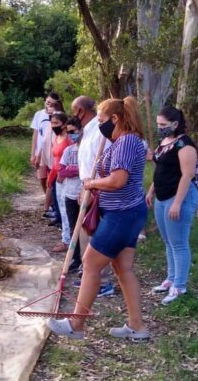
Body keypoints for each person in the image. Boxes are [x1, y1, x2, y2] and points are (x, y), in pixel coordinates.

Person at [48, 97, 150, 341]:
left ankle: (76, 324)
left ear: (116, 119)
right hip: (129, 212)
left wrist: (91, 183)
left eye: (103, 121)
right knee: (123, 268)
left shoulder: (126, 142)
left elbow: (117, 180)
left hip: (122, 214)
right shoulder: (125, 141)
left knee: (91, 262)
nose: (100, 125)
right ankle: (137, 327)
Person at [146, 106, 198, 305]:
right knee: (168, 241)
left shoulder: (184, 145)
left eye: (163, 125)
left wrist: (177, 202)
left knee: (179, 242)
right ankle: (171, 279)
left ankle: (180, 286)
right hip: (162, 196)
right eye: (158, 124)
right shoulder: (165, 142)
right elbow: (161, 169)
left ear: (175, 124)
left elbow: (187, 175)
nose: (159, 128)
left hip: (179, 197)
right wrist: (151, 191)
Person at [71, 95, 114, 297]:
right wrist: (83, 187)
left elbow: (104, 162)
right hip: (86, 186)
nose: (73, 116)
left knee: (96, 233)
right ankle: (87, 274)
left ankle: (103, 280)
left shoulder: (100, 133)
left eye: (74, 111)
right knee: (84, 232)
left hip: (98, 188)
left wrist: (94, 186)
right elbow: (86, 163)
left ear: (82, 110)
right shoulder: (87, 132)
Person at [57, 116, 84, 272]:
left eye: (73, 131)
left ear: (81, 130)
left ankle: (85, 260)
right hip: (70, 193)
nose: (71, 135)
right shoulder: (69, 150)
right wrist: (76, 170)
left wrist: (72, 170)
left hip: (84, 192)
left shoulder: (86, 148)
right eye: (69, 132)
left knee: (85, 228)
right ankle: (76, 257)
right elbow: (61, 170)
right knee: (74, 227)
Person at [47, 111, 73, 252]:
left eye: (56, 123)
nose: (53, 126)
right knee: (60, 209)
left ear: (64, 124)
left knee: (65, 210)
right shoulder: (57, 138)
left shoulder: (69, 139)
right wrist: (51, 177)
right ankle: (65, 238)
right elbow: (55, 161)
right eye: (52, 123)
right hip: (56, 177)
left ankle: (67, 241)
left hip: (66, 178)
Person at [30, 92, 61, 200]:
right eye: (47, 102)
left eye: (51, 104)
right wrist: (33, 153)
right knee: (42, 178)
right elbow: (35, 134)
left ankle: (52, 203)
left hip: (54, 150)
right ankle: (50, 200)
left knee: (52, 177)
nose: (48, 105)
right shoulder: (39, 114)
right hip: (40, 151)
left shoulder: (58, 115)